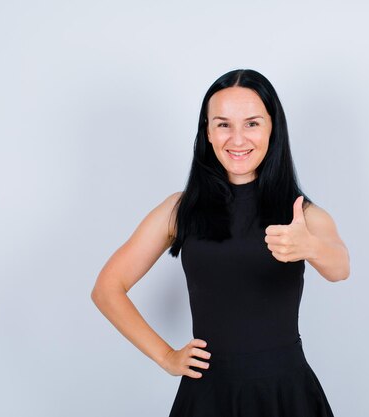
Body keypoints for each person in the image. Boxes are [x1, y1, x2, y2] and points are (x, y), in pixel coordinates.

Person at [91, 68, 350, 416]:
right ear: (208, 132)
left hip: (285, 395)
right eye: (223, 124)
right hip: (207, 396)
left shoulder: (302, 214)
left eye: (252, 123)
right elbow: (107, 288)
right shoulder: (179, 209)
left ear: (273, 129)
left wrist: (311, 247)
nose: (237, 138)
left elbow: (340, 267)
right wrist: (166, 356)